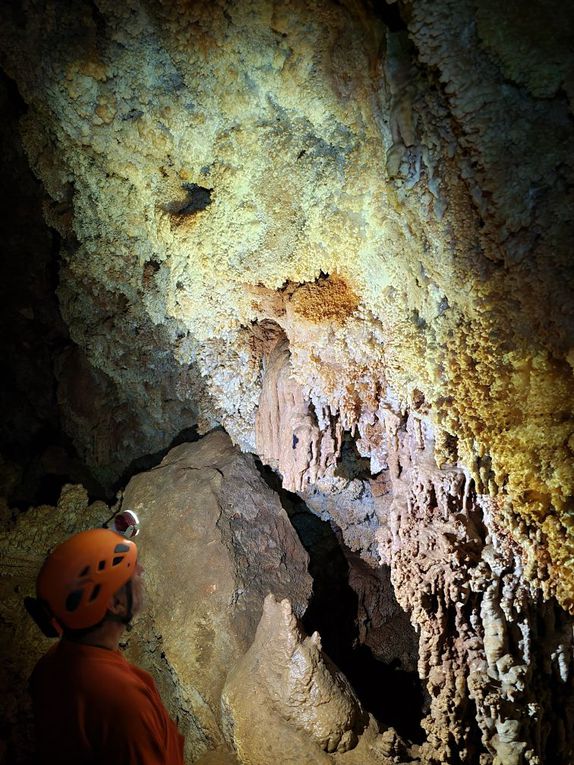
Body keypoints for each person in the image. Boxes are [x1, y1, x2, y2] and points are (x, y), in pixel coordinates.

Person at [25, 528, 185, 765]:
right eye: (131, 574)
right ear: (116, 604)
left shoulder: (52, 664)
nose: (140, 571)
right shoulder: (123, 703)